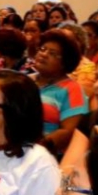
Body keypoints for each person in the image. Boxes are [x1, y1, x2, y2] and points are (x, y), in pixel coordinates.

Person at [33, 29, 88, 158]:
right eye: (42, 49)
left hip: (47, 156)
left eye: (52, 53)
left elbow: (68, 132)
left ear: (65, 62)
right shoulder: (25, 81)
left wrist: (33, 149)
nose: (44, 54)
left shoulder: (72, 89)